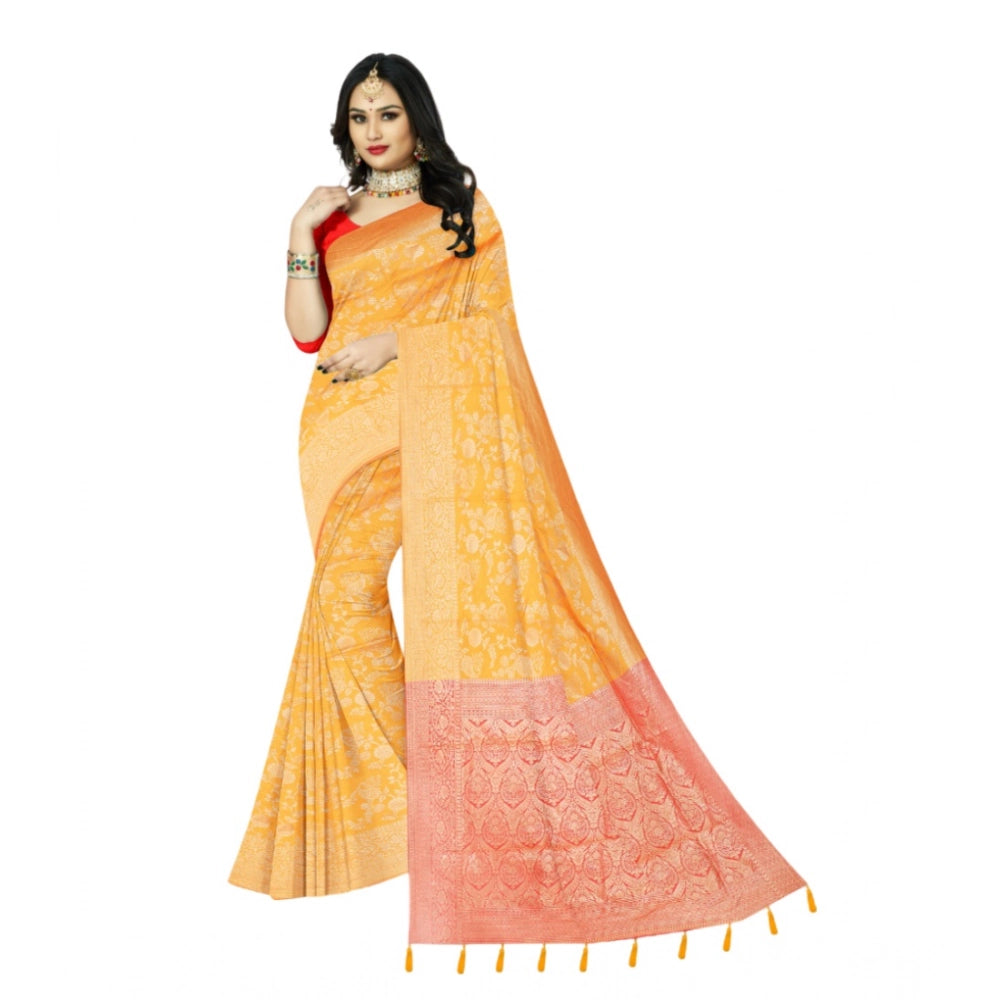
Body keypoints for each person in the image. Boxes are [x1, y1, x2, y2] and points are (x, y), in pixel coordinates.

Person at [229, 52, 812, 971]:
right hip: (341, 437)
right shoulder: (333, 217)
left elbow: (491, 332)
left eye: (387, 113)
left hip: (437, 428)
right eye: (358, 116)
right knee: (342, 604)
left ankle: (452, 805)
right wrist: (300, 229)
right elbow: (307, 330)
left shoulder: (462, 208)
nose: (373, 130)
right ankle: (443, 797)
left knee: (457, 611)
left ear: (417, 118)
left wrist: (396, 343)